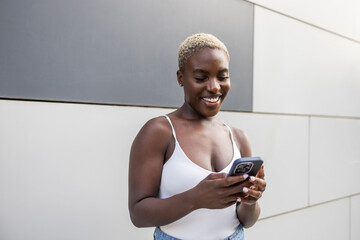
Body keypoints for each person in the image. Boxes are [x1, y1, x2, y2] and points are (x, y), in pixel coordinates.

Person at [128, 33, 266, 240]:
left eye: (222, 76)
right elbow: (138, 214)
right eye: (201, 77)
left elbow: (247, 220)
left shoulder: (238, 137)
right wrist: (195, 198)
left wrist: (250, 201)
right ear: (181, 78)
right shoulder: (159, 131)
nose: (214, 87)